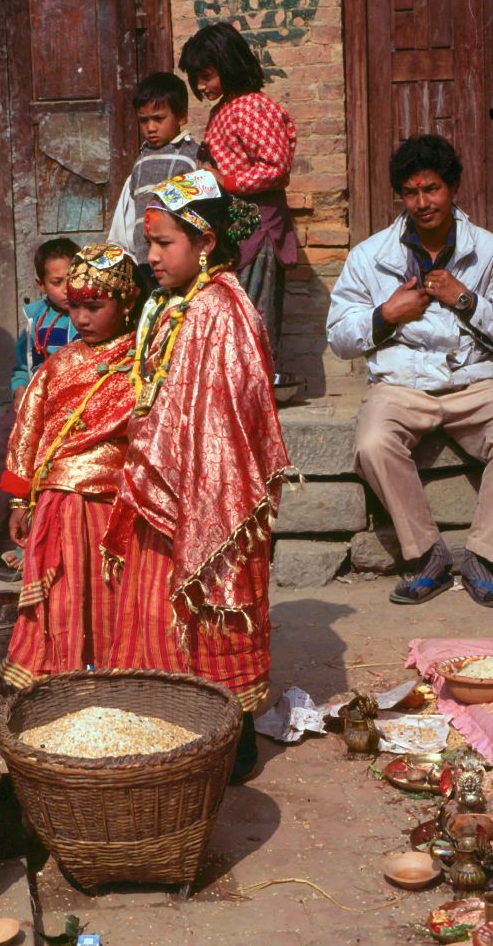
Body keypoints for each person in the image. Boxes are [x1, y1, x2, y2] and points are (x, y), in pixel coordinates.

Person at [103, 170, 289, 781]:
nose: (150, 257)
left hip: (210, 487)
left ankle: (227, 735)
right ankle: (174, 719)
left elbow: (224, 411)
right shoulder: (170, 304)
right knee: (159, 609)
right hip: (168, 479)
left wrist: (175, 466)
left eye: (165, 243)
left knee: (210, 599)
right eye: (148, 242)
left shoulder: (221, 310)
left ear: (205, 241)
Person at [327, 134, 493, 608]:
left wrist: (465, 300)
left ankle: (483, 556)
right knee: (373, 443)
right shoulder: (369, 255)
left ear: (453, 187)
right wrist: (386, 314)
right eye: (412, 192)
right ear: (401, 195)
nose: (423, 202)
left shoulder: (487, 251)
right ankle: (428, 559)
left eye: (433, 189)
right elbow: (339, 338)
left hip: (475, 380)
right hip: (400, 384)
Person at [0, 245, 141, 688]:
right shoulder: (57, 366)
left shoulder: (142, 362)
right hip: (58, 504)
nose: (81, 318)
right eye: (76, 306)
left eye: (95, 307)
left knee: (107, 593)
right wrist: (19, 499)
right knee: (62, 594)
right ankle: (62, 677)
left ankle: (110, 675)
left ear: (128, 302)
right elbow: (27, 431)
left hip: (114, 504)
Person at [0, 238, 80, 567]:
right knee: (1, 438)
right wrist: (20, 390)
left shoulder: (89, 313)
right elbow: (20, 368)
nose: (67, 289)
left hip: (73, 405)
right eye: (57, 282)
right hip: (34, 403)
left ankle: (36, 538)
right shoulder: (34, 320)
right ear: (41, 284)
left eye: (73, 278)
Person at [178, 22, 297, 357]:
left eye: (206, 75)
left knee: (253, 314)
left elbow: (275, 168)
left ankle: (255, 389)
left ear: (229, 66)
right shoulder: (224, 110)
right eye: (196, 79)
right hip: (236, 229)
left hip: (257, 230)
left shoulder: (251, 107)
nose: (201, 86)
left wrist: (226, 182)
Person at [108, 72, 199, 281]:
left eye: (159, 119)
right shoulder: (140, 163)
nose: (150, 128)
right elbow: (128, 218)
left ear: (182, 116)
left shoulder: (192, 158)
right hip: (145, 263)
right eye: (144, 120)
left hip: (181, 265)